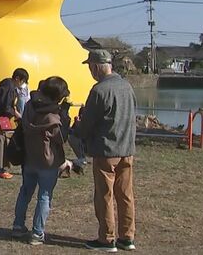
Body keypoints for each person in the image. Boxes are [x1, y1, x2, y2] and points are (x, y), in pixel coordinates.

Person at [74, 49, 137, 252]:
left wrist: (78, 126)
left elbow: (87, 125)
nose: (91, 72)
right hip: (127, 149)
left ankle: (106, 238)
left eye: (91, 67)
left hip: (106, 151)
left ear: (96, 67)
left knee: (104, 196)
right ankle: (127, 237)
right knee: (125, 195)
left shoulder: (99, 90)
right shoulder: (127, 87)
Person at [11, 76, 70, 245]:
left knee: (25, 192)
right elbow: (61, 137)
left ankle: (18, 225)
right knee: (44, 196)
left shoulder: (30, 106)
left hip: (29, 158)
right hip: (48, 162)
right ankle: (37, 233)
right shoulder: (53, 116)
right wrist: (65, 118)